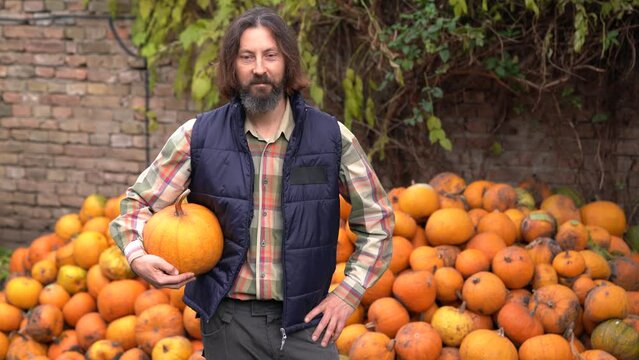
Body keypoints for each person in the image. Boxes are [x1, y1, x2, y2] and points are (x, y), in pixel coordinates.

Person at [110, 6, 394, 359]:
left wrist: (348, 293)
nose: (259, 68)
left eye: (270, 55)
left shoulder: (331, 139)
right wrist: (137, 258)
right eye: (247, 57)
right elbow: (135, 206)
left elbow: (378, 221)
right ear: (233, 65)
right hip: (230, 324)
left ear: (287, 62)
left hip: (309, 323)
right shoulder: (198, 137)